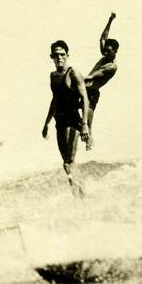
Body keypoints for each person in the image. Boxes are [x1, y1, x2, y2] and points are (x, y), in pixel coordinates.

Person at [42, 41, 90, 195]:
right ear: (51, 57)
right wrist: (46, 123)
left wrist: (84, 125)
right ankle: (79, 193)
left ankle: (80, 197)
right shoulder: (53, 76)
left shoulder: (73, 73)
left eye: (62, 54)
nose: (59, 57)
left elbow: (85, 98)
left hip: (73, 120)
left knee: (69, 161)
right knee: (67, 163)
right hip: (60, 122)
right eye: (56, 55)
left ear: (67, 55)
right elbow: (54, 100)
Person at [84, 12, 120, 146]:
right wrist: (110, 20)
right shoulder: (106, 55)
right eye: (104, 50)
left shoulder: (111, 66)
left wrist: (73, 77)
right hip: (85, 89)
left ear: (115, 51)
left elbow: (90, 77)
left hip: (91, 93)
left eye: (108, 51)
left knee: (88, 127)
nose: (105, 52)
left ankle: (89, 143)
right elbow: (102, 38)